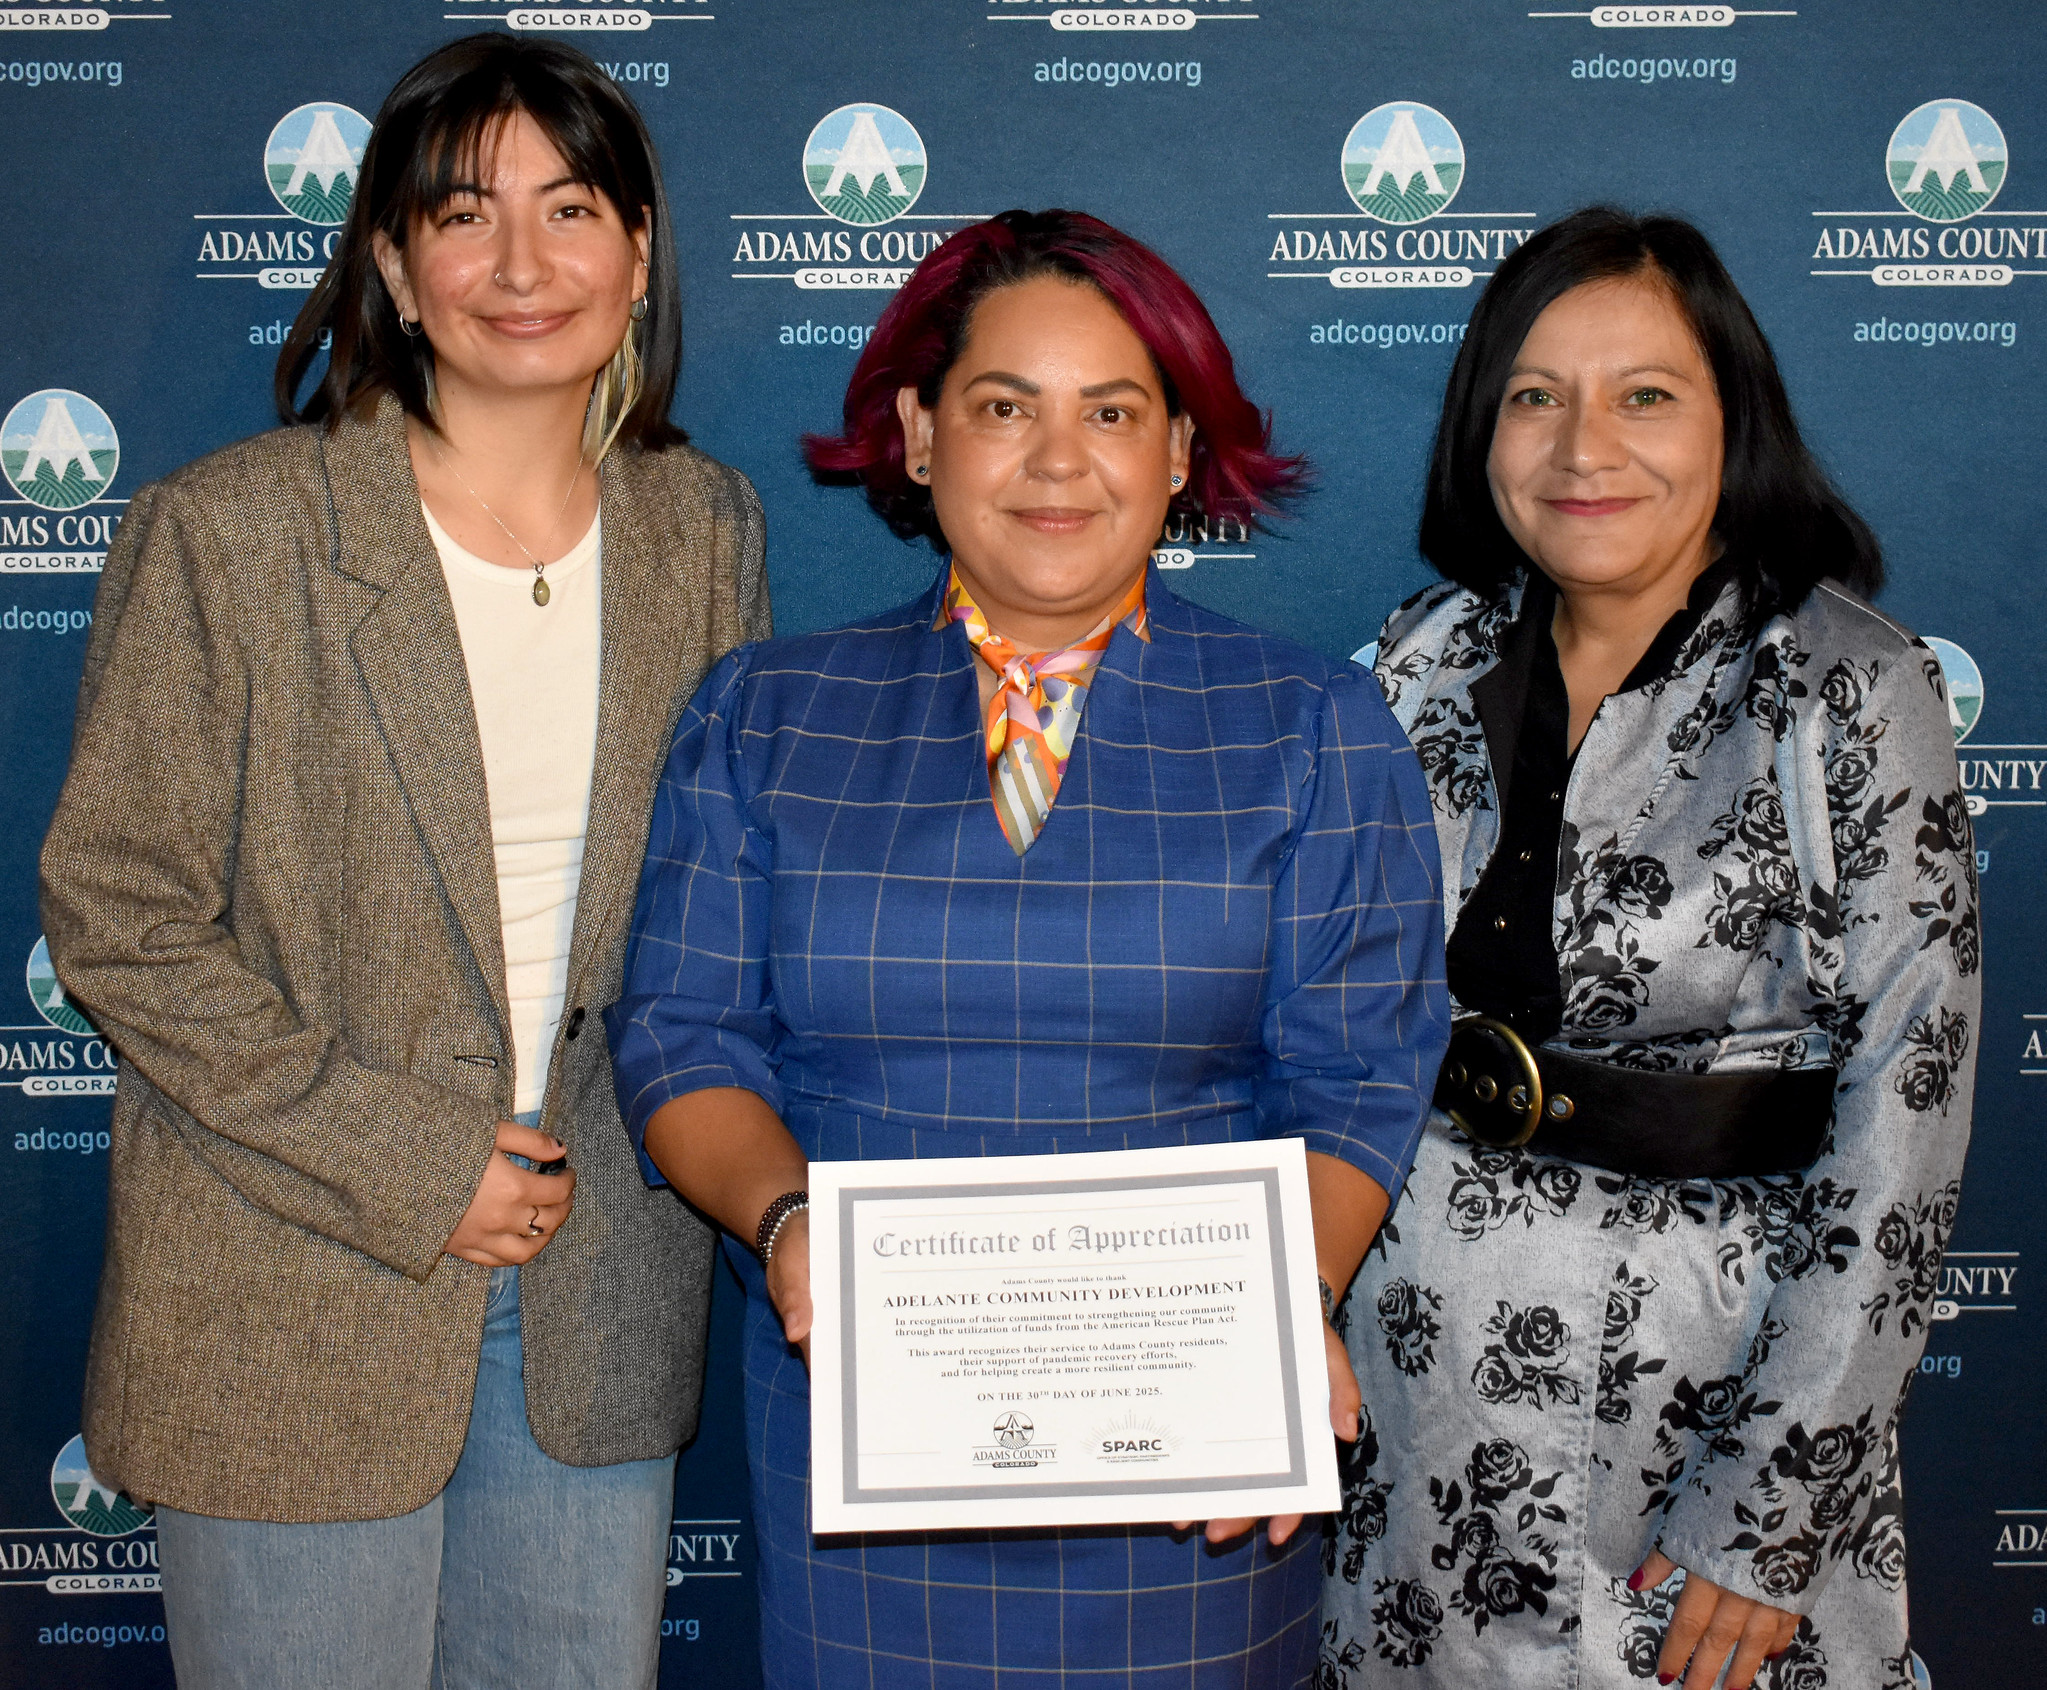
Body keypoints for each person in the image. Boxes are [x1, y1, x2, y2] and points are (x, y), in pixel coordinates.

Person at [607, 208, 1449, 1687]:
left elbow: (1360, 1073)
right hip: (861, 1442)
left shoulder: (1310, 725)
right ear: (922, 436)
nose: (1059, 462)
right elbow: (684, 1035)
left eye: (1113, 412)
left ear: (1180, 450)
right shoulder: (767, 713)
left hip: (1193, 1479)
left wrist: (1274, 1322)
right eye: (1006, 408)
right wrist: (791, 1227)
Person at [39, 34, 768, 1690]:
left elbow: (723, 904)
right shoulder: (232, 530)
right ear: (391, 261)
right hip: (291, 1272)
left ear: (641, 247)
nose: (523, 264)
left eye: (572, 208)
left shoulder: (704, 529)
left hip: (597, 1296)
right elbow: (120, 911)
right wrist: (413, 1159)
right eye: (463, 215)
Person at [1320, 207, 1977, 1690]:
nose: (1580, 446)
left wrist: (1772, 1502)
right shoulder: (1422, 658)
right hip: (1427, 1376)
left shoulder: (1850, 687)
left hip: (1711, 1385)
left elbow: (1909, 1109)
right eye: (1534, 395)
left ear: (1733, 415)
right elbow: (1332, 1009)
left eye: (1645, 395)